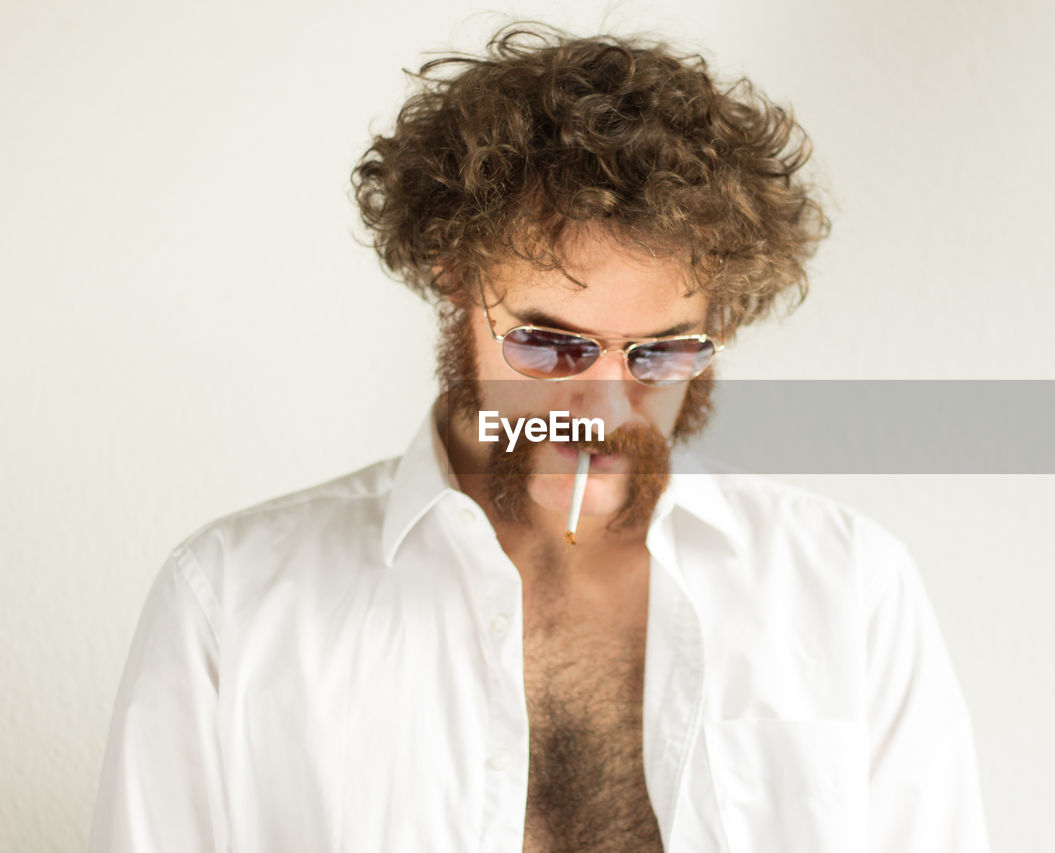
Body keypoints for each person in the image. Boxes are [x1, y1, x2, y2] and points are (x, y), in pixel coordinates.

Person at [90, 23, 990, 853]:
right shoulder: (235, 607)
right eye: (551, 343)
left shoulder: (849, 591)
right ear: (454, 277)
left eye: (660, 352)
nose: (603, 405)